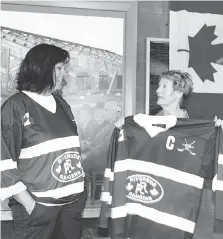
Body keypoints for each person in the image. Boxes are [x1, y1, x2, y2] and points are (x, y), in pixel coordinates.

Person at [0, 43, 87, 239]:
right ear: (41, 69)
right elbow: (4, 162)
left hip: (71, 208)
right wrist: (31, 205)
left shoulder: (62, 104)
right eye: (59, 68)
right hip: (38, 211)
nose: (65, 74)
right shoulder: (16, 106)